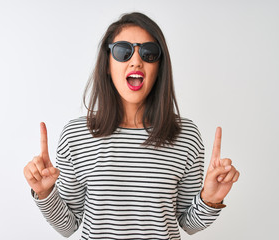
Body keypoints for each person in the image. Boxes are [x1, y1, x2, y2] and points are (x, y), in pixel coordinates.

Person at [23, 12, 240, 239]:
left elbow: (189, 224)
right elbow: (68, 226)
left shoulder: (185, 135)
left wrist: (211, 199)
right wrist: (45, 192)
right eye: (123, 51)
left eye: (149, 53)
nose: (136, 61)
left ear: (159, 67)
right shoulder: (76, 135)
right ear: (107, 64)